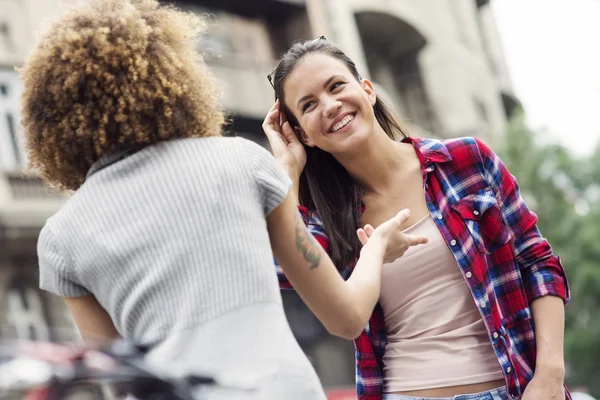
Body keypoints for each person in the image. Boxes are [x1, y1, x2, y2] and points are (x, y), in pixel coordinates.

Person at [20, 2, 428, 399]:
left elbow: (119, 376)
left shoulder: (59, 239)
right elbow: (347, 317)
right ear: (170, 78)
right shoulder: (242, 163)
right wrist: (375, 247)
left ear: (51, 121)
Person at [262, 37, 571, 400]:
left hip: (517, 389)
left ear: (367, 90)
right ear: (302, 135)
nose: (330, 106)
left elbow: (538, 261)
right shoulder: (325, 224)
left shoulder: (466, 160)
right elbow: (277, 272)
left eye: (336, 86)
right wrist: (286, 173)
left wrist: (549, 373)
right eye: (309, 105)